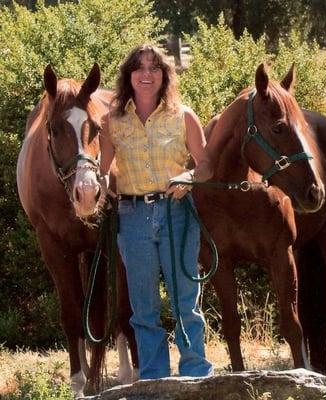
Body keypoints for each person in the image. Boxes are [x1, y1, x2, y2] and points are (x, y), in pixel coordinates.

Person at [99, 43, 213, 380]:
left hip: (177, 212)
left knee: (184, 301)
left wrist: (190, 177)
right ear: (129, 76)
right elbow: (105, 169)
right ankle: (154, 377)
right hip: (132, 216)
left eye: (154, 68)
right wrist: (99, 185)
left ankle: (195, 373)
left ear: (164, 75)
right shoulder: (112, 121)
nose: (146, 75)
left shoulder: (184, 115)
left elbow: (205, 165)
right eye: (139, 68)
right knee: (143, 307)